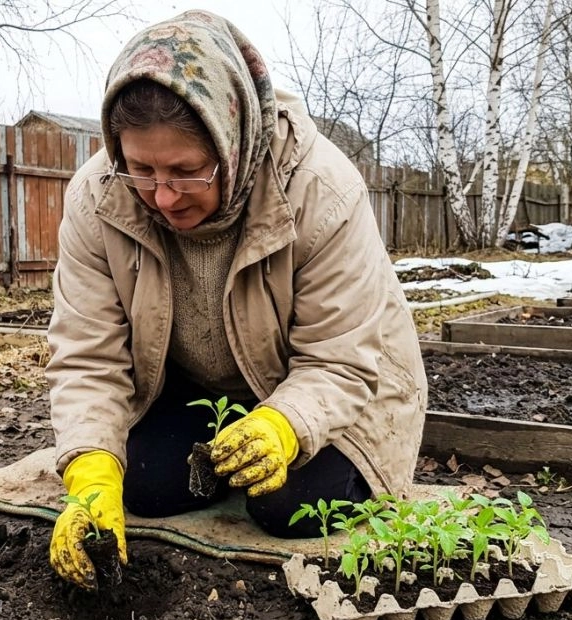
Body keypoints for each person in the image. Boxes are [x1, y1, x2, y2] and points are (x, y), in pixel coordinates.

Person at [45, 10, 427, 590]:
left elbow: (341, 358)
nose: (164, 197)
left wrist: (283, 424)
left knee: (290, 507)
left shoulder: (321, 190)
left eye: (187, 171)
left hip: (346, 387)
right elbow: (87, 354)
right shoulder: (99, 198)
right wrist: (91, 472)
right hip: (204, 388)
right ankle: (218, 457)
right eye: (141, 169)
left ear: (233, 140)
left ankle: (271, 452)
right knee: (141, 486)